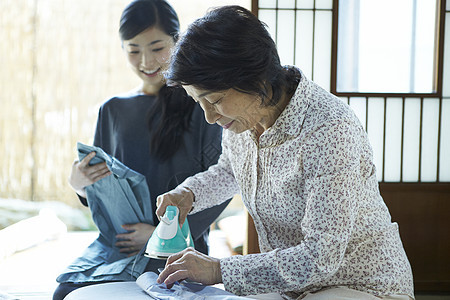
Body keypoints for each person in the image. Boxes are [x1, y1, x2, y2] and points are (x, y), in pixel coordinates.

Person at [155, 5, 415, 300]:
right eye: (198, 102)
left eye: (214, 100)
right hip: (291, 287)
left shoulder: (329, 129)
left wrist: (218, 270)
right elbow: (231, 170)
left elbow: (321, 256)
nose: (209, 117)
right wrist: (189, 194)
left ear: (254, 79)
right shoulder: (243, 119)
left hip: (362, 284)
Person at [52, 1, 229, 299]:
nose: (146, 61)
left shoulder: (204, 106)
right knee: (64, 292)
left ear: (177, 41)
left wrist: (159, 234)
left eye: (157, 47)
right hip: (120, 246)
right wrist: (80, 188)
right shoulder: (112, 110)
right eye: (133, 50)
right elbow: (103, 190)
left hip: (179, 248)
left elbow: (222, 182)